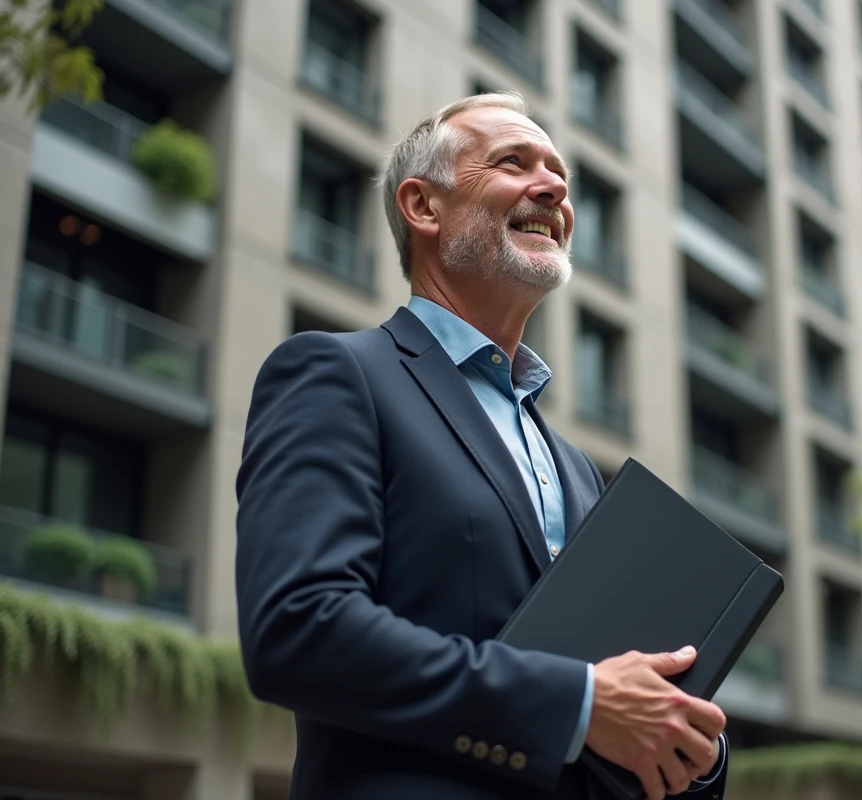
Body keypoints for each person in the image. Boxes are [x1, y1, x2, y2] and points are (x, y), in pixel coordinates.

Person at [234, 91, 730, 800]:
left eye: (558, 172)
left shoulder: (577, 467)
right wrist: (579, 703)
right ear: (424, 207)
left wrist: (693, 746)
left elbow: (620, 705)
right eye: (513, 162)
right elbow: (298, 629)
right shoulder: (336, 374)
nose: (555, 188)